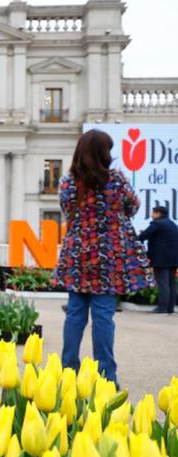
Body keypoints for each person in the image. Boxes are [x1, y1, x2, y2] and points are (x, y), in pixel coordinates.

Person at [54, 129, 154, 386]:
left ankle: (68, 371)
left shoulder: (68, 182)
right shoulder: (116, 180)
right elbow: (132, 206)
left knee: (75, 313)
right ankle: (106, 375)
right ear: (104, 153)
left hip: (78, 255)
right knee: (103, 316)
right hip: (108, 257)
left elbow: (66, 209)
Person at [138, 205, 178, 314]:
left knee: (163, 282)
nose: (151, 215)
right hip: (173, 258)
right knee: (171, 283)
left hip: (161, 258)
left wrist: (140, 236)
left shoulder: (157, 224)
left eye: (153, 213)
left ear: (158, 213)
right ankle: (170, 308)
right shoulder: (171, 223)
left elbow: (143, 236)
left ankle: (162, 308)